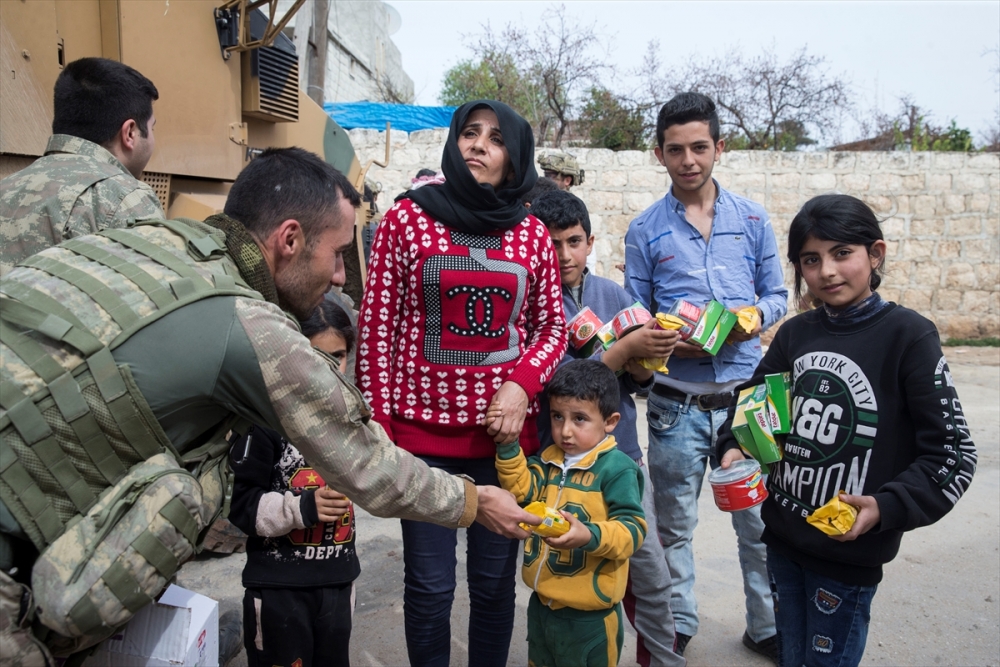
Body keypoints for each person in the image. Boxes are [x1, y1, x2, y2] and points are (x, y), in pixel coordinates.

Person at [0, 147, 537, 665]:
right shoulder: (251, 326)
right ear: (289, 239)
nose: (341, 278)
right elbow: (367, 464)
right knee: (188, 492)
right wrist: (474, 502)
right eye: (336, 255)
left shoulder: (149, 240)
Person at [716, 194, 977, 667]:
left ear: (875, 254)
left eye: (842, 254)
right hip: (780, 541)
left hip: (846, 558)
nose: (827, 272)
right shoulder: (796, 335)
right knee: (791, 656)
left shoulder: (908, 337)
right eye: (811, 260)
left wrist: (882, 507)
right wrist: (735, 444)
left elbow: (953, 454)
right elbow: (752, 404)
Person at [355, 100, 565, 667]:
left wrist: (521, 386)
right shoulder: (405, 220)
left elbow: (552, 329)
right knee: (429, 588)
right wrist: (380, 427)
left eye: (496, 139)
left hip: (502, 451)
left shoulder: (533, 237)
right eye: (469, 133)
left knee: (495, 589)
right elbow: (376, 333)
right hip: (421, 447)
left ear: (514, 157)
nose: (478, 145)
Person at [623, 92, 786, 661]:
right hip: (675, 402)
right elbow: (635, 315)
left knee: (759, 524)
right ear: (659, 155)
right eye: (675, 150)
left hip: (747, 398)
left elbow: (778, 296)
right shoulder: (644, 230)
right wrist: (663, 340)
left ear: (720, 146)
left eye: (699, 147)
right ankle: (678, 622)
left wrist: (750, 322)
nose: (688, 159)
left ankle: (765, 625)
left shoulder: (754, 219)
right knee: (673, 528)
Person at [530, 189, 685, 667]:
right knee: (568, 564)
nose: (563, 255)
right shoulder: (534, 303)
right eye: (551, 244)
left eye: (573, 242)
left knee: (649, 572)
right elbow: (554, 383)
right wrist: (619, 352)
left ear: (590, 241)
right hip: (559, 466)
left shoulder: (614, 296)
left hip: (620, 459)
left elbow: (639, 381)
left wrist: (646, 356)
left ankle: (662, 659)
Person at [229, 299, 359, 667]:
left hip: (337, 582)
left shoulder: (352, 415)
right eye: (317, 356)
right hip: (278, 590)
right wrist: (303, 507)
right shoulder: (264, 420)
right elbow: (242, 507)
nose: (331, 367)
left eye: (339, 355)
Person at [492, 359, 646, 667]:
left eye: (579, 419)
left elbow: (632, 531)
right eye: (557, 417)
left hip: (591, 617)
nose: (565, 431)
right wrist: (508, 447)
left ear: (611, 421)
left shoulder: (617, 469)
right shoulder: (548, 459)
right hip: (542, 605)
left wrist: (589, 535)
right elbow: (521, 489)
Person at [0, 57, 164, 275]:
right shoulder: (125, 198)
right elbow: (159, 298)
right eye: (152, 128)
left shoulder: (7, 187)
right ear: (130, 133)